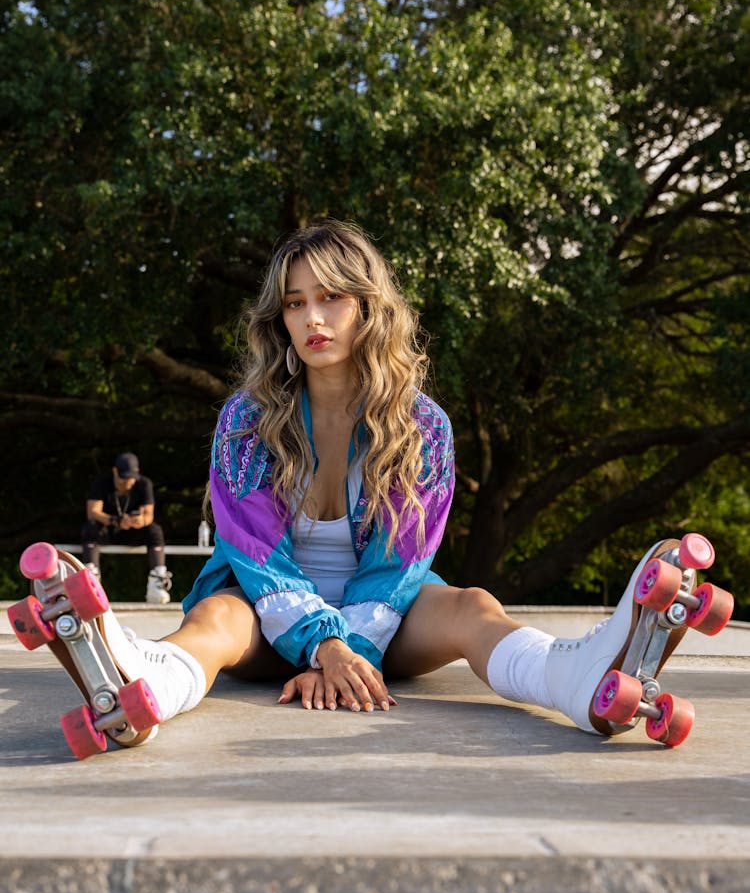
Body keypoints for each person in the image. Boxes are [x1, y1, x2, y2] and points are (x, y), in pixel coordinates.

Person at [36, 221, 721, 745]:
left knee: (472, 605)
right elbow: (255, 558)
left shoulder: (422, 426)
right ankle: (136, 681)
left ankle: (578, 679)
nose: (312, 319)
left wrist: (346, 650)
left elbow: (399, 566)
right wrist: (322, 645)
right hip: (262, 616)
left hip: (382, 621)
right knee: (213, 619)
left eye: (331, 298)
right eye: (296, 303)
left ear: (368, 307)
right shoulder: (246, 421)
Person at [82, 452, 173, 605]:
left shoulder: (144, 484)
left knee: (154, 530)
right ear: (115, 472)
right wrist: (114, 520)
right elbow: (92, 512)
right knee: (90, 528)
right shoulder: (103, 482)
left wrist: (138, 521)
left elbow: (148, 515)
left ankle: (157, 582)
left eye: (131, 478)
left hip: (133, 531)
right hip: (109, 528)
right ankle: (92, 581)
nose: (127, 482)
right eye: (124, 478)